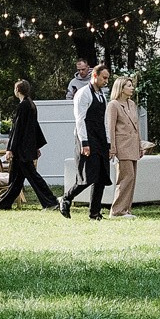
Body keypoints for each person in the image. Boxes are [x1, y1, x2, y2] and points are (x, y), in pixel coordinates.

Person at [0, 80, 57, 211]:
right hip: (26, 148)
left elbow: (18, 129)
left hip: (22, 150)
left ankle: (50, 202)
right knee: (16, 179)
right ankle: (3, 204)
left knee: (33, 178)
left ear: (17, 90)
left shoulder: (23, 106)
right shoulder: (31, 105)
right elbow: (33, 128)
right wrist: (36, 145)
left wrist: (10, 148)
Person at [61, 65, 112, 219]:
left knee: (102, 176)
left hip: (101, 138)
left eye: (107, 78)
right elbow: (80, 119)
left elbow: (105, 121)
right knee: (87, 176)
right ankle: (66, 198)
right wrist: (84, 143)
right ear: (94, 76)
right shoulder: (83, 94)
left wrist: (108, 143)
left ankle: (95, 212)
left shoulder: (102, 95)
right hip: (87, 138)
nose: (106, 81)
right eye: (104, 78)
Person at [107, 77, 145, 217]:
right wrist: (112, 147)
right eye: (129, 86)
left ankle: (126, 209)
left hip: (133, 145)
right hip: (122, 146)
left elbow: (137, 126)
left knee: (132, 178)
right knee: (125, 177)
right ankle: (117, 211)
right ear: (121, 88)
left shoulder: (132, 104)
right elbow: (110, 128)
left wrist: (140, 145)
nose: (132, 88)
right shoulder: (114, 105)